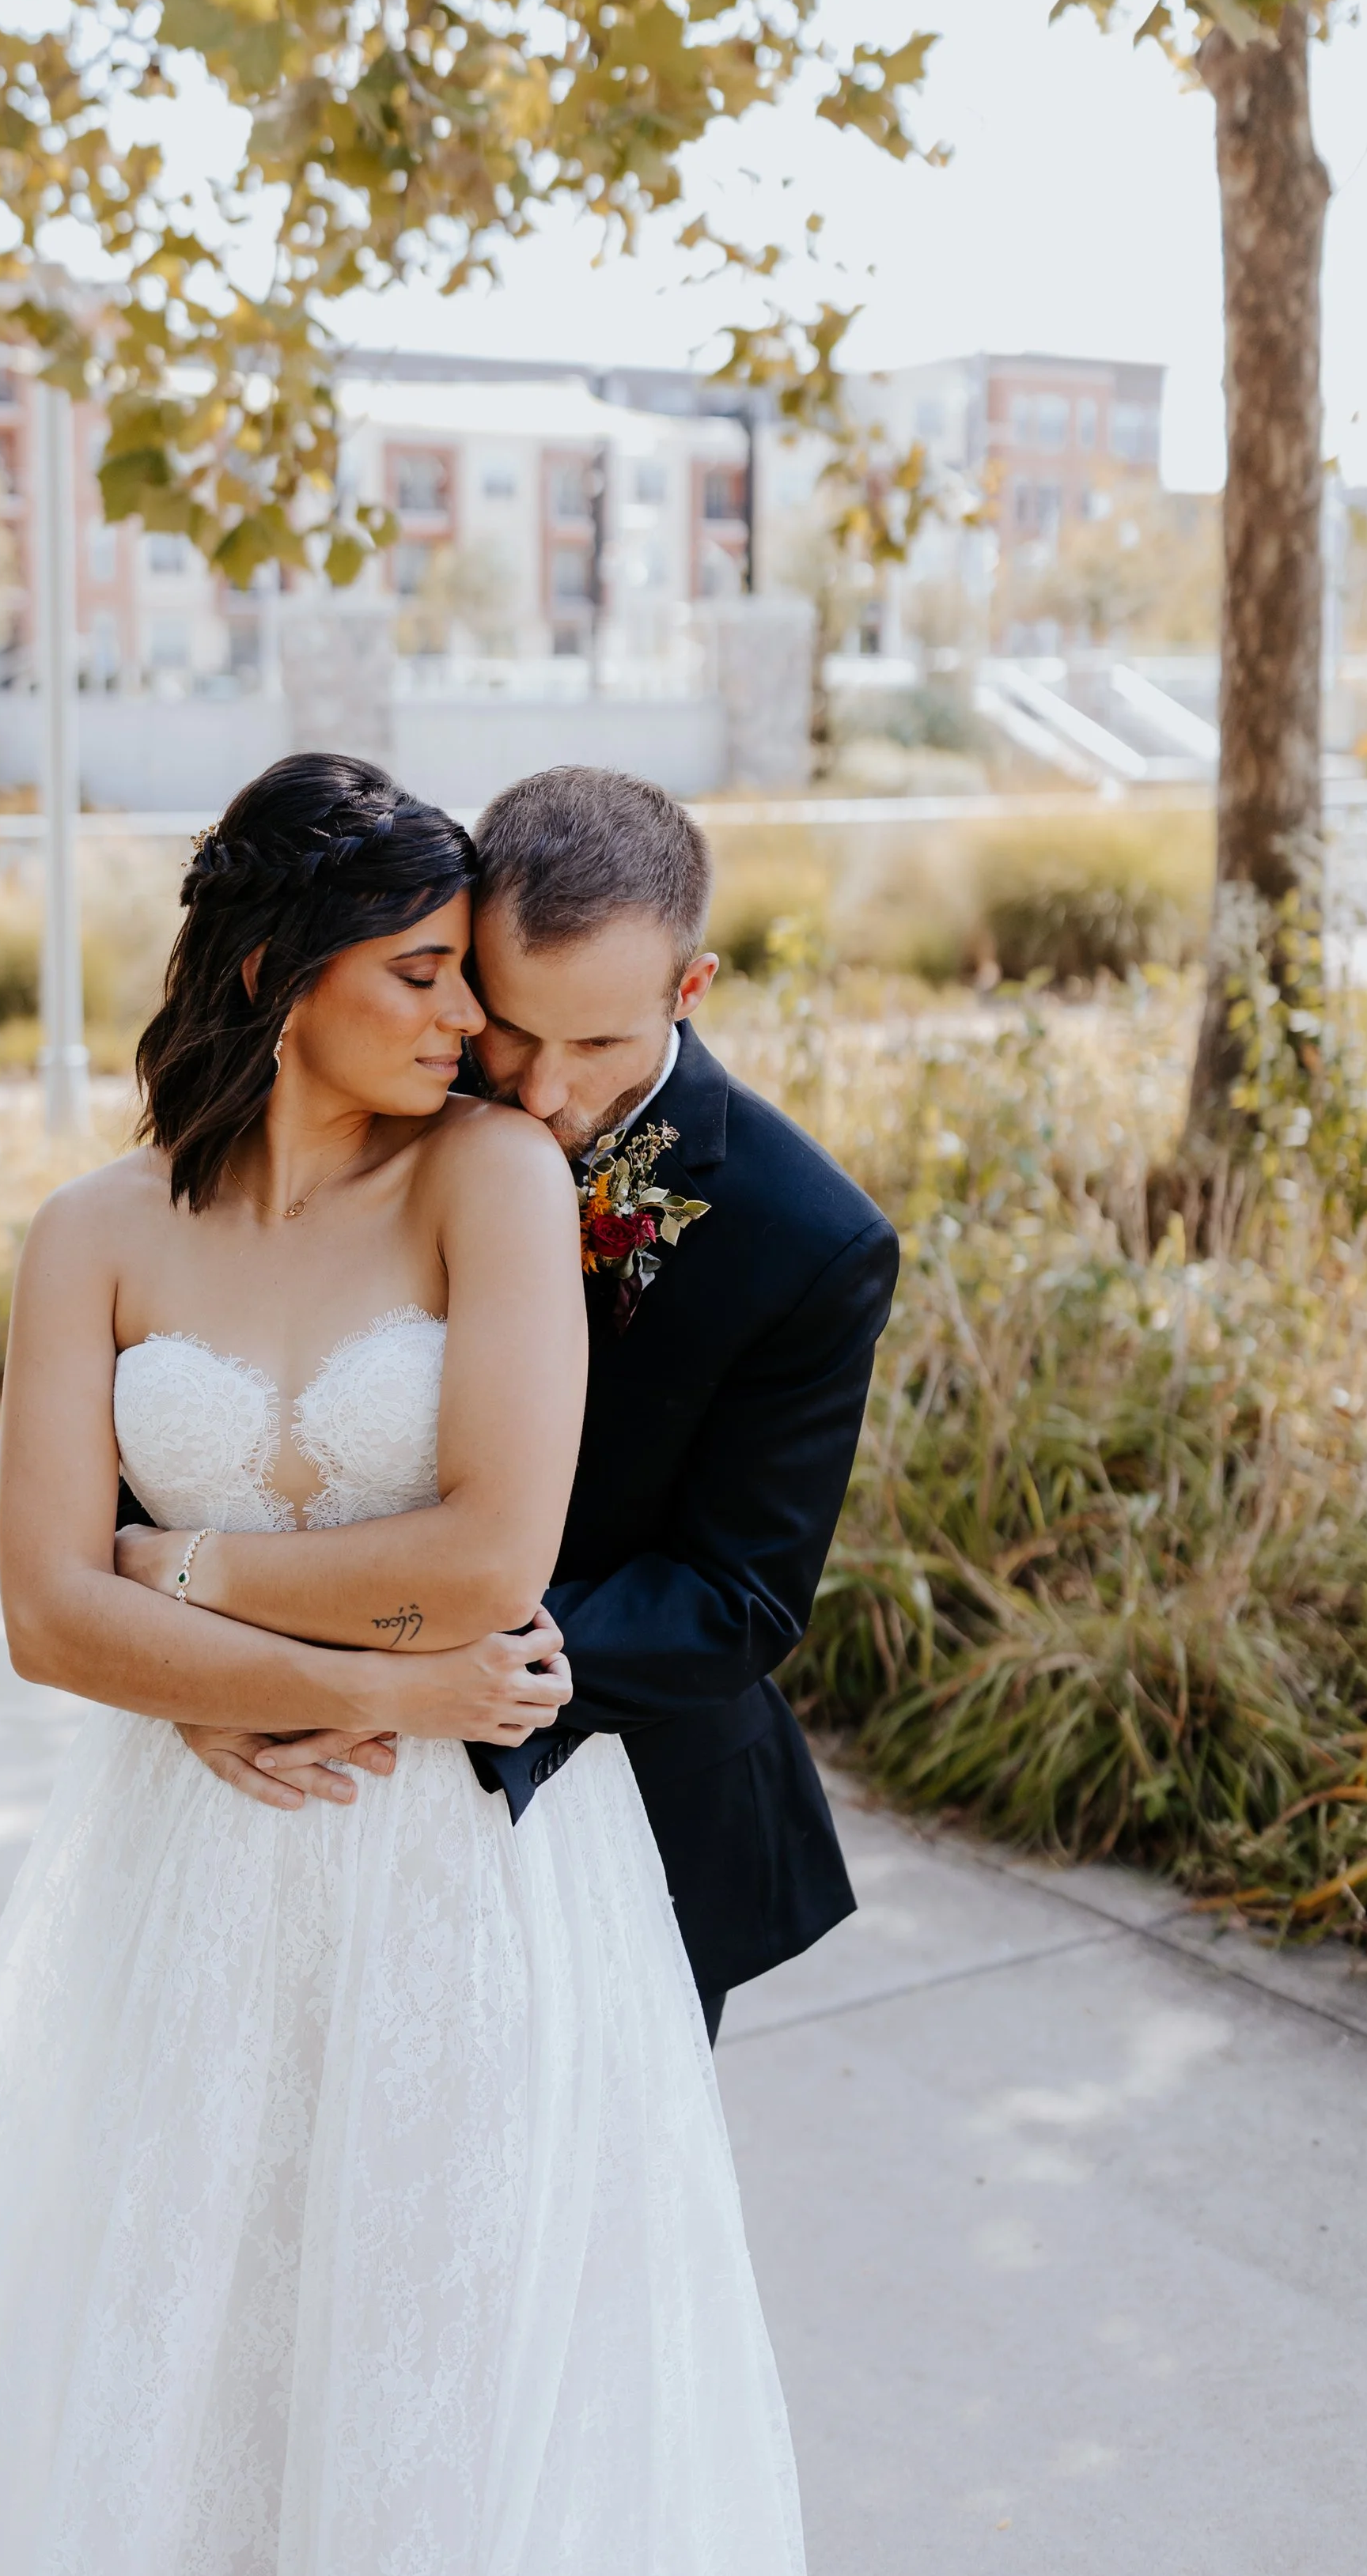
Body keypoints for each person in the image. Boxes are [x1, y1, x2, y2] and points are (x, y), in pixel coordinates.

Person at [0, 753, 807, 2576]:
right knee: (174, 2351)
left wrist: (170, 1590)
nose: (471, 1022)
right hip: (178, 1871)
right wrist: (280, 1676)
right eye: (419, 974)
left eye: (460, 974)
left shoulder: (492, 1176)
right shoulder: (85, 1235)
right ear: (272, 973)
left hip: (461, 1875)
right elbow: (38, 1616)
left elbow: (490, 1560)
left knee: (438, 2377)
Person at [150, 766, 899, 2048]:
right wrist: (199, 1648)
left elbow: (738, 1596)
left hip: (619, 1794)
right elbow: (219, 1357)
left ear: (691, 988)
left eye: (597, 1044)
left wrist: (417, 1676)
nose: (539, 1093)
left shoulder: (809, 1240)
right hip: (295, 1776)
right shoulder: (386, 1103)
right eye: (511, 1028)